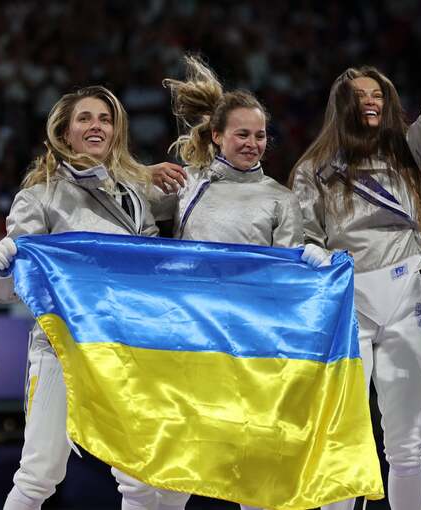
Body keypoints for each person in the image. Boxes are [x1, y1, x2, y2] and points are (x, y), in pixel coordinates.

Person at [288, 6, 421, 510]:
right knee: (344, 433)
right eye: (361, 97)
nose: (371, 102)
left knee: (406, 443)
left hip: (403, 299)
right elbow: (300, 234)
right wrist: (313, 257)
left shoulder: (407, 154)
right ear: (343, 105)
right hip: (346, 301)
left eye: (377, 95)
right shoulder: (315, 167)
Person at [127, 54, 306, 510]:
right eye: (242, 134)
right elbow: (123, 209)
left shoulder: (281, 200)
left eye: (260, 135)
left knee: (256, 471)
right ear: (217, 136)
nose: (252, 143)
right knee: (178, 468)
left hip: (253, 347)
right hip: (192, 343)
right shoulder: (188, 184)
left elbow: (286, 281)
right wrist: (141, 174)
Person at [0, 85, 161, 510]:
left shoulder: (135, 196)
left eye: (104, 118)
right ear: (65, 132)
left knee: (140, 475)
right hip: (61, 347)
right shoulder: (40, 195)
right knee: (40, 474)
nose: (96, 126)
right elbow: (9, 288)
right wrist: (5, 259)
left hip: (122, 347)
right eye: (85, 118)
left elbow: (154, 260)